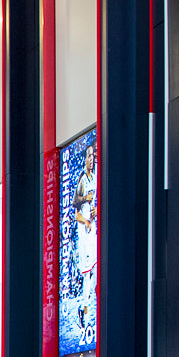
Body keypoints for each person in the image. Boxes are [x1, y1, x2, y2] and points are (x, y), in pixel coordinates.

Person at [72, 141, 97, 336]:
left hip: (92, 230)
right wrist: (86, 220)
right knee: (87, 277)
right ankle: (84, 314)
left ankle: (88, 312)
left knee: (95, 274)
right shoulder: (82, 179)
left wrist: (93, 212)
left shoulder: (94, 177)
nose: (92, 158)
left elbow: (91, 205)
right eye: (89, 156)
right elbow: (75, 206)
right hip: (84, 233)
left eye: (93, 155)